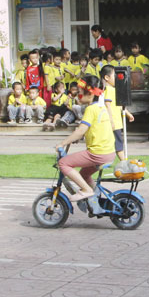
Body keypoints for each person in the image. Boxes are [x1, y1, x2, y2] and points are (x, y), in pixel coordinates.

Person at [55, 75, 116, 210]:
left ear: (89, 93)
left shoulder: (91, 109)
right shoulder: (100, 107)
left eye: (81, 92)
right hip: (108, 152)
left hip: (98, 153)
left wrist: (62, 143)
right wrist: (79, 138)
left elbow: (81, 130)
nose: (79, 95)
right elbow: (94, 129)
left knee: (63, 163)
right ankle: (94, 195)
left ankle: (86, 190)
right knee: (84, 174)